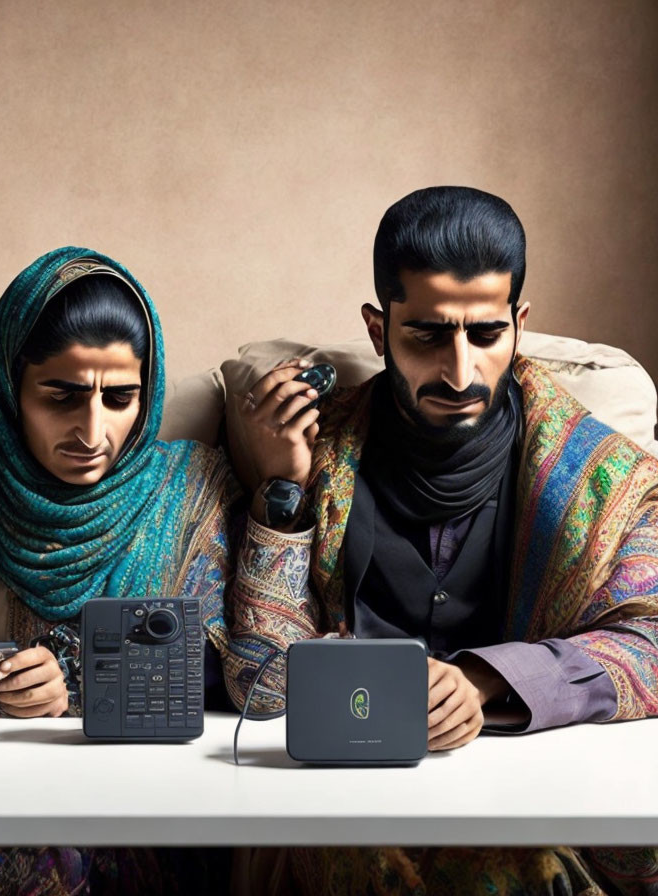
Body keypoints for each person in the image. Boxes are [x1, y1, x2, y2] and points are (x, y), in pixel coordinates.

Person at [230, 186, 658, 894]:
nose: (459, 373)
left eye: (485, 335)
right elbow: (260, 686)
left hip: (530, 797)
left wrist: (487, 681)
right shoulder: (317, 452)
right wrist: (281, 489)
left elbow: (652, 640)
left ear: (519, 324)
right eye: (427, 336)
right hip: (349, 800)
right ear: (378, 330)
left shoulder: (604, 474)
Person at [0, 246, 285, 895]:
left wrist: (80, 684)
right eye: (62, 396)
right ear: (9, 388)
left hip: (147, 803)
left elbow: (232, 672)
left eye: (120, 397)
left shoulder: (192, 490)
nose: (92, 430)